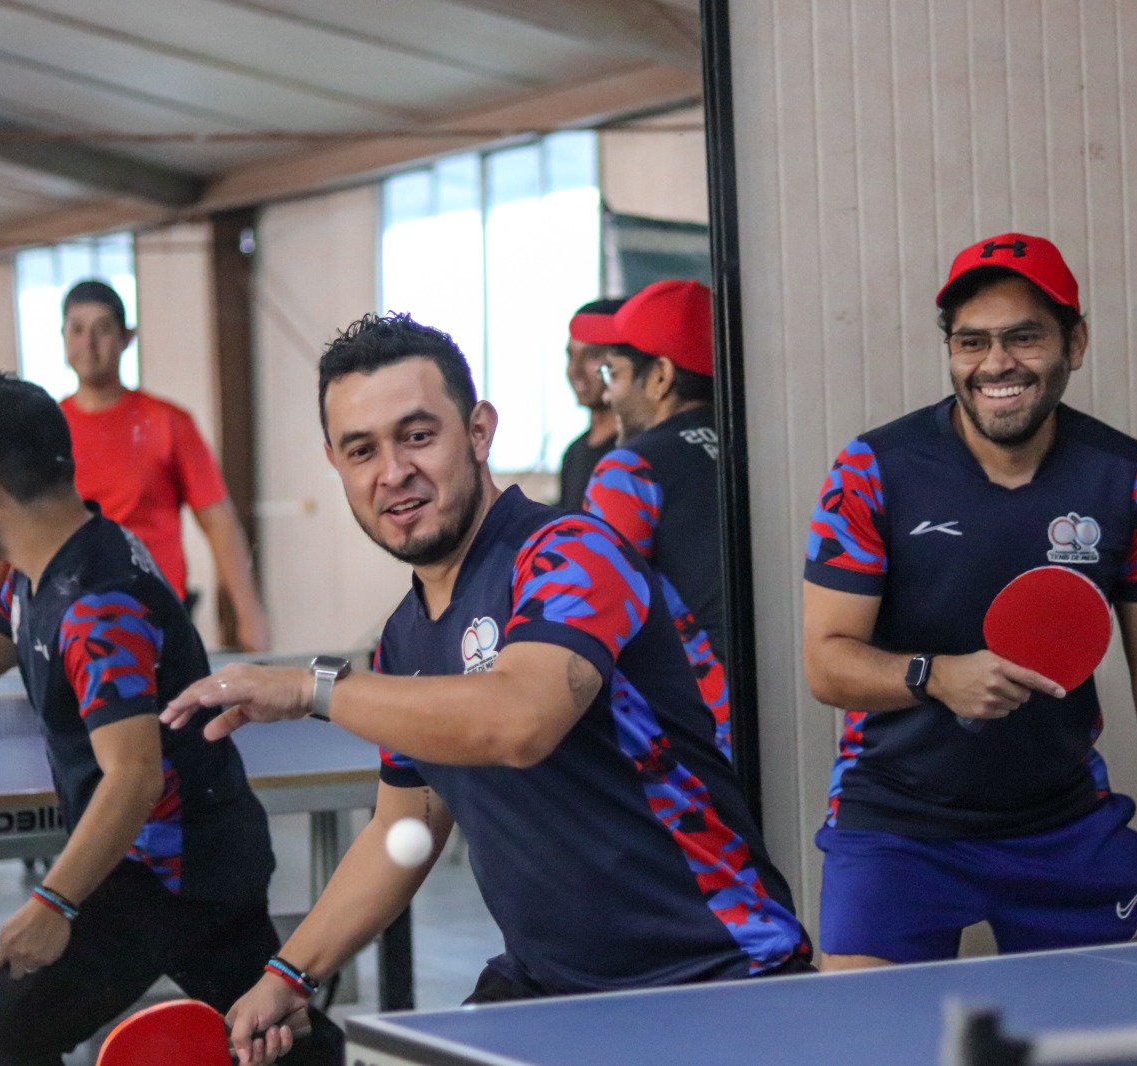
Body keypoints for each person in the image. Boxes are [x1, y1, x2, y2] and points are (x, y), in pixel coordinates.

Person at [160, 312, 812, 1065]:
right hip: (550, 989)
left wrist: (315, 689)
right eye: (362, 450)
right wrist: (289, 973)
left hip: (715, 976)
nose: (393, 472)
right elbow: (405, 831)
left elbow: (518, 719)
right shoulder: (404, 638)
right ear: (336, 464)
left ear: (478, 432)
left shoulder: (570, 554)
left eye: (417, 435)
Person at [801, 233, 1137, 970]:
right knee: (864, 1031)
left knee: (1116, 1031)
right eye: (972, 342)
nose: (996, 364)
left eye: (1024, 337)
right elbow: (827, 665)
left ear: (1074, 344)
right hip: (894, 825)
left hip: (1064, 825)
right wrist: (936, 677)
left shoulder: (1126, 476)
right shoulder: (871, 471)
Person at [0, 373, 328, 1065]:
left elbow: (133, 775)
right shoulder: (48, 568)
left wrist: (54, 902)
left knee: (8, 1039)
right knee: (275, 1038)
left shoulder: (96, 605)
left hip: (169, 872)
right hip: (199, 851)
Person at [0, 279, 270, 653]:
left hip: (152, 623)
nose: (89, 342)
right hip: (62, 626)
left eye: (102, 329)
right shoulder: (40, 434)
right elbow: (8, 529)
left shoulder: (168, 423)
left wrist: (250, 617)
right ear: (62, 337)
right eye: (77, 329)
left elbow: (218, 522)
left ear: (126, 337)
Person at [582, 280, 731, 756]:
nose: (609, 396)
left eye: (614, 373)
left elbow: (594, 614)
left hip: (692, 734)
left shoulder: (629, 470)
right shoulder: (755, 449)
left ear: (661, 377)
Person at [555, 297, 623, 508]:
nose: (574, 370)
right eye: (570, 355)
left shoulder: (634, 451)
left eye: (592, 355)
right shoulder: (573, 454)